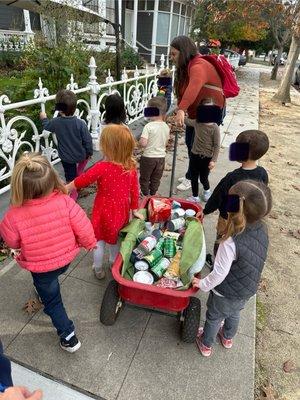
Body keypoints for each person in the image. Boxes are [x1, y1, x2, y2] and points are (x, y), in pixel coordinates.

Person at [0, 153, 96, 353]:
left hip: (40, 265)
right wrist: (90, 243)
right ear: (53, 178)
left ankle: (69, 336)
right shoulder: (65, 202)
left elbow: (12, 241)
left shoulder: (12, 216)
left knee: (52, 300)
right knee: (51, 280)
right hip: (66, 258)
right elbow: (83, 226)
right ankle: (45, 290)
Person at [193, 180, 272, 357]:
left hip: (225, 292)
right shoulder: (263, 229)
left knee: (214, 316)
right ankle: (228, 337)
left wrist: (202, 283)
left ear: (232, 207)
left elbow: (219, 274)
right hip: (247, 289)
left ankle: (206, 344)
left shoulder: (229, 242)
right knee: (234, 313)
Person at [65, 125, 144, 280]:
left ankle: (98, 268)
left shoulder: (102, 167)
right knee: (115, 240)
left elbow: (83, 180)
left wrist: (67, 187)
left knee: (99, 241)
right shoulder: (131, 168)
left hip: (102, 210)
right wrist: (135, 209)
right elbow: (135, 191)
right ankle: (113, 263)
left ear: (108, 148)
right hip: (121, 211)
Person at [169, 35, 225, 192]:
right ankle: (191, 173)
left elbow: (194, 86)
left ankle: (194, 176)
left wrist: (182, 109)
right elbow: (186, 89)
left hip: (209, 111)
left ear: (184, 52)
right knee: (190, 143)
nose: (171, 58)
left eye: (174, 54)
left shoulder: (198, 65)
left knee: (198, 147)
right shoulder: (189, 65)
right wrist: (181, 106)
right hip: (198, 112)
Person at [203, 129, 269, 257]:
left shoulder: (232, 177)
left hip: (228, 219)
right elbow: (262, 195)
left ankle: (217, 262)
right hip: (248, 218)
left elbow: (218, 196)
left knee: (222, 242)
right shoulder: (262, 174)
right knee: (239, 243)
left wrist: (206, 210)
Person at [40, 89, 93, 201]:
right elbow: (87, 140)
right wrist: (89, 152)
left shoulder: (56, 122)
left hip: (67, 158)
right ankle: (79, 177)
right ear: (74, 108)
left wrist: (44, 118)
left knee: (70, 176)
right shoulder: (80, 124)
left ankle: (73, 194)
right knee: (84, 159)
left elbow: (47, 126)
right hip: (81, 155)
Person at [185, 98, 221, 203]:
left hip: (207, 158)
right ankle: (195, 196)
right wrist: (180, 112)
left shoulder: (215, 128)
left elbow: (217, 145)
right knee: (194, 177)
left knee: (204, 178)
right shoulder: (197, 123)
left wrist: (213, 160)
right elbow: (186, 121)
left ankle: (207, 191)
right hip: (194, 155)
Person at [139, 97, 170, 196]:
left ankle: (144, 193)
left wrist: (140, 142)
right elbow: (166, 142)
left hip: (148, 157)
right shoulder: (166, 126)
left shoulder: (149, 126)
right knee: (156, 178)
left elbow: (143, 143)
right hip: (161, 158)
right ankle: (153, 193)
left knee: (145, 177)